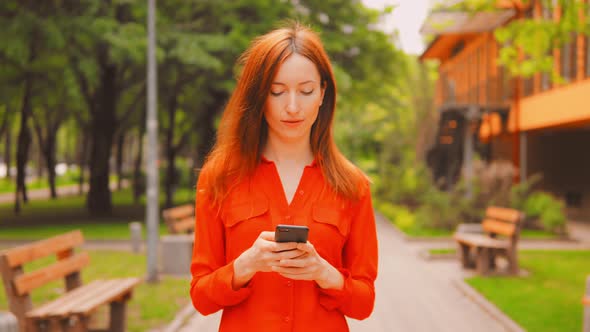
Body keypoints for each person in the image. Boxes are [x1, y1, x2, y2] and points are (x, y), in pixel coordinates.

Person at [190, 22, 378, 332]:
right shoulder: (220, 178)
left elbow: (364, 303)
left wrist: (324, 273)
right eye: (277, 92)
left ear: (322, 93)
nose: (292, 107)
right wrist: (245, 265)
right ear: (259, 96)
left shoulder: (351, 185)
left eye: (305, 91)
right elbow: (201, 297)